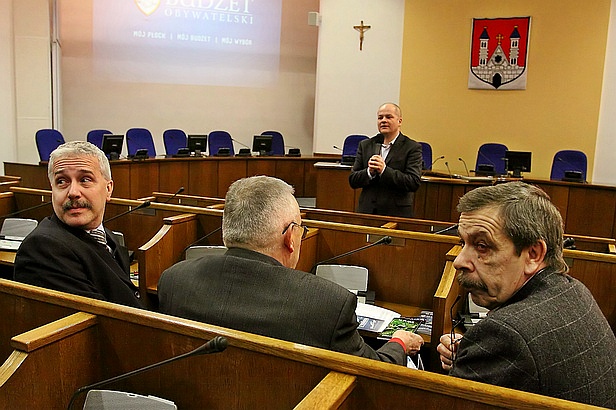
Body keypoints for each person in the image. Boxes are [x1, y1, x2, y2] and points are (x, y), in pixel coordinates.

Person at [158, 175, 423, 364]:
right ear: (290, 238)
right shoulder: (327, 304)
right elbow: (371, 371)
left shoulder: (174, 280)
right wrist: (399, 343)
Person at [437, 181, 616, 407]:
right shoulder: (575, 290)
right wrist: (474, 353)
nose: (459, 261)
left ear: (533, 254)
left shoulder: (505, 336)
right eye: (462, 242)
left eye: (482, 246)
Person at [14, 141, 142, 308]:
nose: (73, 192)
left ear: (108, 189)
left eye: (85, 179)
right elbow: (102, 318)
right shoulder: (43, 247)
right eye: (61, 181)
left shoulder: (107, 237)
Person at [348, 102, 422, 218]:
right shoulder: (366, 145)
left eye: (388, 117)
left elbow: (413, 182)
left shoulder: (412, 147)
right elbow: (353, 180)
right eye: (380, 118)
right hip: (366, 212)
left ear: (399, 121)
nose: (383, 121)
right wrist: (369, 172)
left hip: (396, 214)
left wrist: (384, 170)